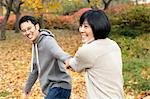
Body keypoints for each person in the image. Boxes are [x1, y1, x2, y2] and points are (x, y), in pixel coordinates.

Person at [66, 10, 124, 99]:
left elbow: (74, 66)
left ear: (97, 27)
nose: (81, 30)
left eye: (86, 26)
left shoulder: (87, 50)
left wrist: (67, 61)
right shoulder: (113, 45)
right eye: (81, 26)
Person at [19, 15, 72, 99]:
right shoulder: (36, 44)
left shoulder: (47, 40)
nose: (27, 32)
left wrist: (67, 59)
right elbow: (34, 70)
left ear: (37, 26)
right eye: (24, 31)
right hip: (52, 89)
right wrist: (27, 90)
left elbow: (57, 52)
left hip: (59, 86)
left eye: (29, 28)